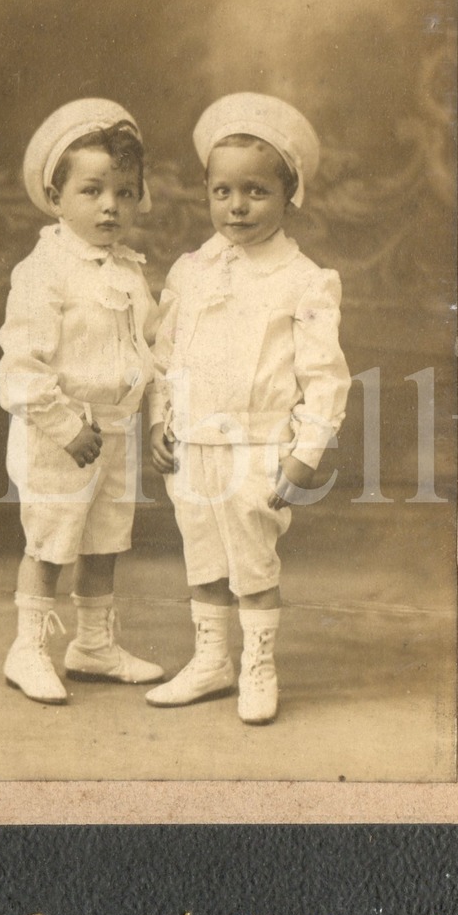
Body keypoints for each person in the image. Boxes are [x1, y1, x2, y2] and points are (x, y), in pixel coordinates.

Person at [147, 93, 351, 724]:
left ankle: (259, 664)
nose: (236, 207)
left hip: (257, 448)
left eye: (257, 192)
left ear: (290, 196)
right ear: (206, 192)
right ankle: (212, 659)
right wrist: (160, 418)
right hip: (193, 445)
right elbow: (165, 355)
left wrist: (305, 453)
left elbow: (326, 378)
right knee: (202, 554)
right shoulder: (189, 271)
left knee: (253, 563)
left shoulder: (304, 279)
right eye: (223, 191)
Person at [0, 98, 163, 704]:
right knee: (51, 540)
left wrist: (156, 412)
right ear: (56, 196)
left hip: (114, 431)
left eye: (124, 191)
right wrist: (66, 427)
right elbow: (21, 368)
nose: (110, 205)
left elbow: (148, 347)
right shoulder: (45, 270)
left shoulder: (127, 269)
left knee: (105, 540)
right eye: (92, 191)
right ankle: (29, 648)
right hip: (60, 437)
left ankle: (92, 644)